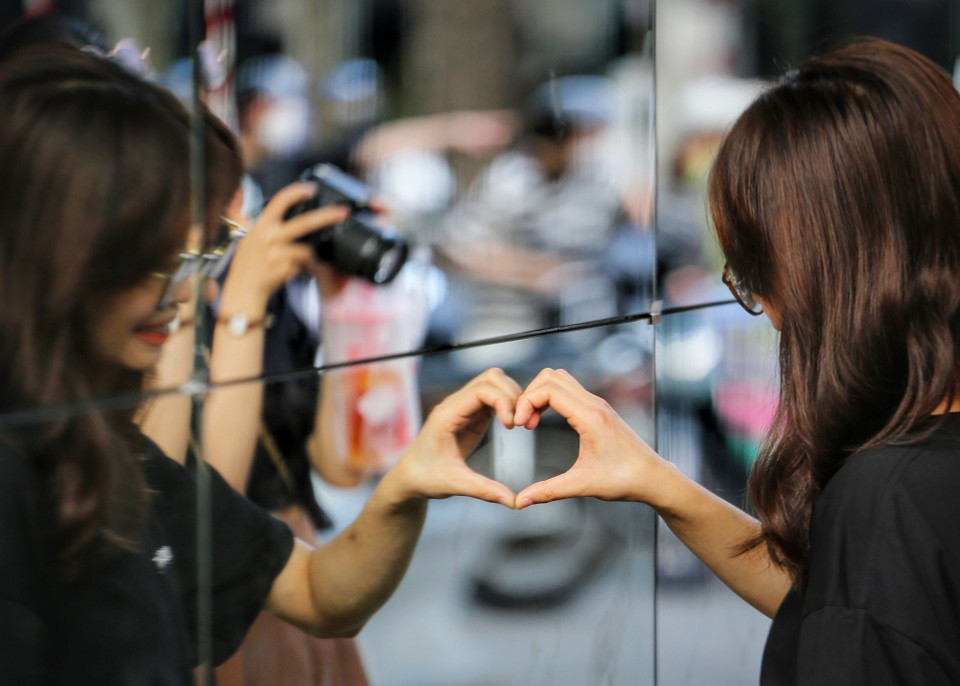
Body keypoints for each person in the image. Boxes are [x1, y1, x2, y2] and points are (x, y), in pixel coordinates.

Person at [0, 44, 519, 684]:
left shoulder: (106, 442)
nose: (185, 284)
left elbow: (322, 573)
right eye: (169, 257)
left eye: (210, 239)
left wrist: (409, 477)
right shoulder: (41, 462)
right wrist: (237, 304)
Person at [510, 38, 960, 684]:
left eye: (754, 274)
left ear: (831, 274)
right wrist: (656, 481)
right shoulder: (915, 486)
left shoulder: (885, 500)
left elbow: (861, 606)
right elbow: (847, 605)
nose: (770, 313)